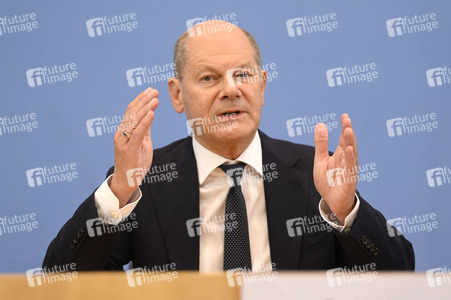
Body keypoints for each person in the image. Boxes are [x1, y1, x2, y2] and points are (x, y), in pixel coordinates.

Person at [43, 20, 414, 272]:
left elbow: (399, 274)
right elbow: (60, 276)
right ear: (177, 94)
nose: (231, 89)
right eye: (209, 77)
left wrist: (345, 211)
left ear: (263, 85)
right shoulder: (145, 182)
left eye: (243, 74)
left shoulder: (314, 176)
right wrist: (120, 190)